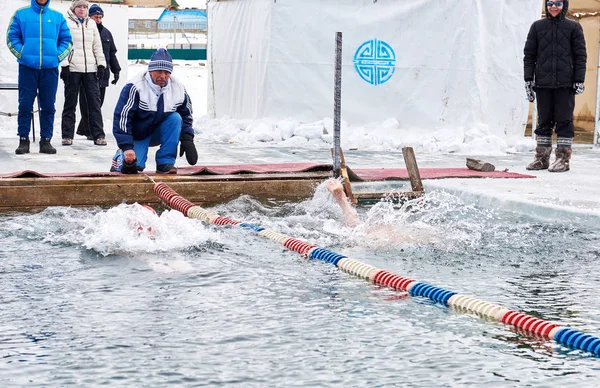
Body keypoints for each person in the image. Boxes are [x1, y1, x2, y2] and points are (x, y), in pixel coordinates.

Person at [524, 0, 587, 172]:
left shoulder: (573, 28)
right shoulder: (537, 27)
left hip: (565, 83)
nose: (553, 6)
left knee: (564, 121)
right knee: (543, 121)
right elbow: (529, 55)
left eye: (558, 3)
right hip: (543, 83)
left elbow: (580, 56)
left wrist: (579, 79)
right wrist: (528, 79)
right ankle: (542, 159)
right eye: (550, 2)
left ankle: (563, 159)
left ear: (564, 5)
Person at [112, 48, 198, 174]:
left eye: (167, 72)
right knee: (135, 167)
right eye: (159, 72)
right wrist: (127, 147)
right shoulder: (135, 87)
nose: (163, 76)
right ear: (150, 71)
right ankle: (119, 158)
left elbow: (186, 115)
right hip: (138, 133)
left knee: (175, 118)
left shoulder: (178, 88)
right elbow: (122, 118)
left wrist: (187, 138)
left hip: (159, 131)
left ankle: (165, 162)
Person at [6, 0, 73, 155]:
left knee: (48, 106)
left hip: (49, 69)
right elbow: (11, 38)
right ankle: (24, 140)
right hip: (27, 68)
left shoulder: (57, 17)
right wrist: (22, 55)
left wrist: (57, 57)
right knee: (25, 105)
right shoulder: (21, 14)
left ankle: (46, 141)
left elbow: (67, 40)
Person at [60, 0, 107, 146]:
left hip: (90, 69)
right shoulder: (66, 23)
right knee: (70, 103)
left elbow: (97, 46)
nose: (82, 9)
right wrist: (65, 65)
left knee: (94, 103)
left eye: (85, 7)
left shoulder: (91, 24)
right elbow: (62, 44)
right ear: (74, 9)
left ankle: (98, 135)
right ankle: (67, 135)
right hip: (73, 69)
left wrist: (101, 64)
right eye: (79, 7)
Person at [76, 3, 121, 141]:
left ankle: (84, 129)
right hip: (88, 72)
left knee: (97, 103)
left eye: (100, 17)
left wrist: (116, 70)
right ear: (90, 17)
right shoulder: (84, 31)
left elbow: (112, 53)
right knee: (86, 104)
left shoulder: (106, 33)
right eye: (96, 17)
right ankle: (90, 131)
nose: (99, 20)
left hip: (102, 75)